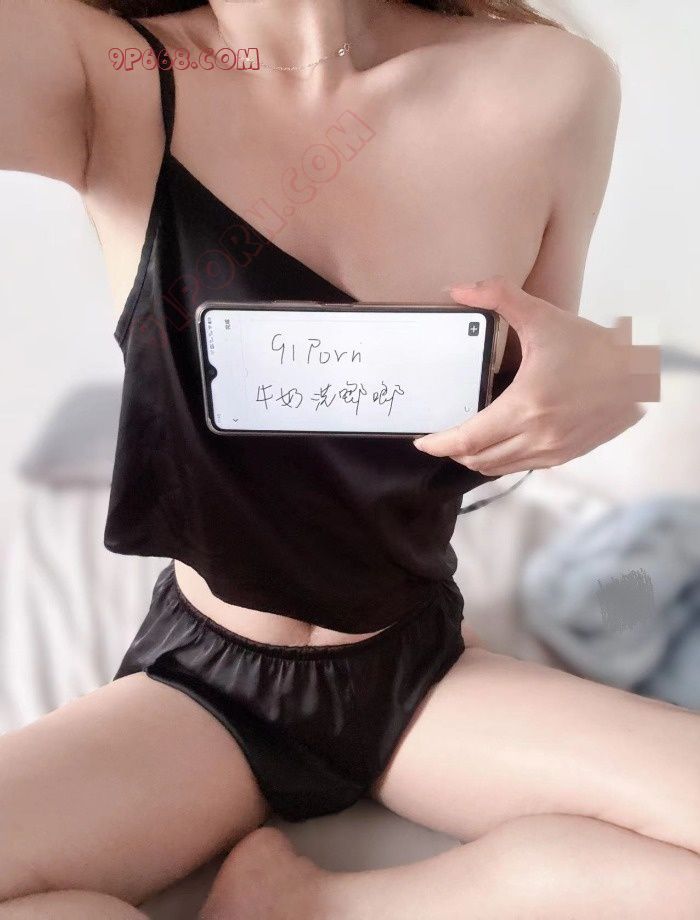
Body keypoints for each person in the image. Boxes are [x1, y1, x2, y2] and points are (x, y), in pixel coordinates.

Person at [0, 1, 696, 918]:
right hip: (201, 685)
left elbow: (544, 371)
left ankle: (313, 905)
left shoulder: (551, 84)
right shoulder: (108, 72)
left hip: (419, 671)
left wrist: (625, 372)